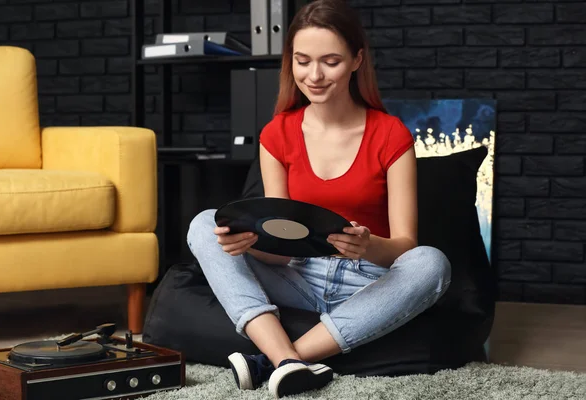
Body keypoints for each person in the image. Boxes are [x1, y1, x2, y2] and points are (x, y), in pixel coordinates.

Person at [186, 0, 451, 398]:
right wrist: (251, 245)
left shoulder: (391, 134)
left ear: (357, 60)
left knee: (432, 262)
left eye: (330, 61)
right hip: (296, 275)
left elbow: (405, 248)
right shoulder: (277, 134)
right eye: (302, 61)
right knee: (205, 223)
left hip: (368, 283)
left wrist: (367, 245)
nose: (314, 75)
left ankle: (276, 360)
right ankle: (285, 360)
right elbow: (278, 248)